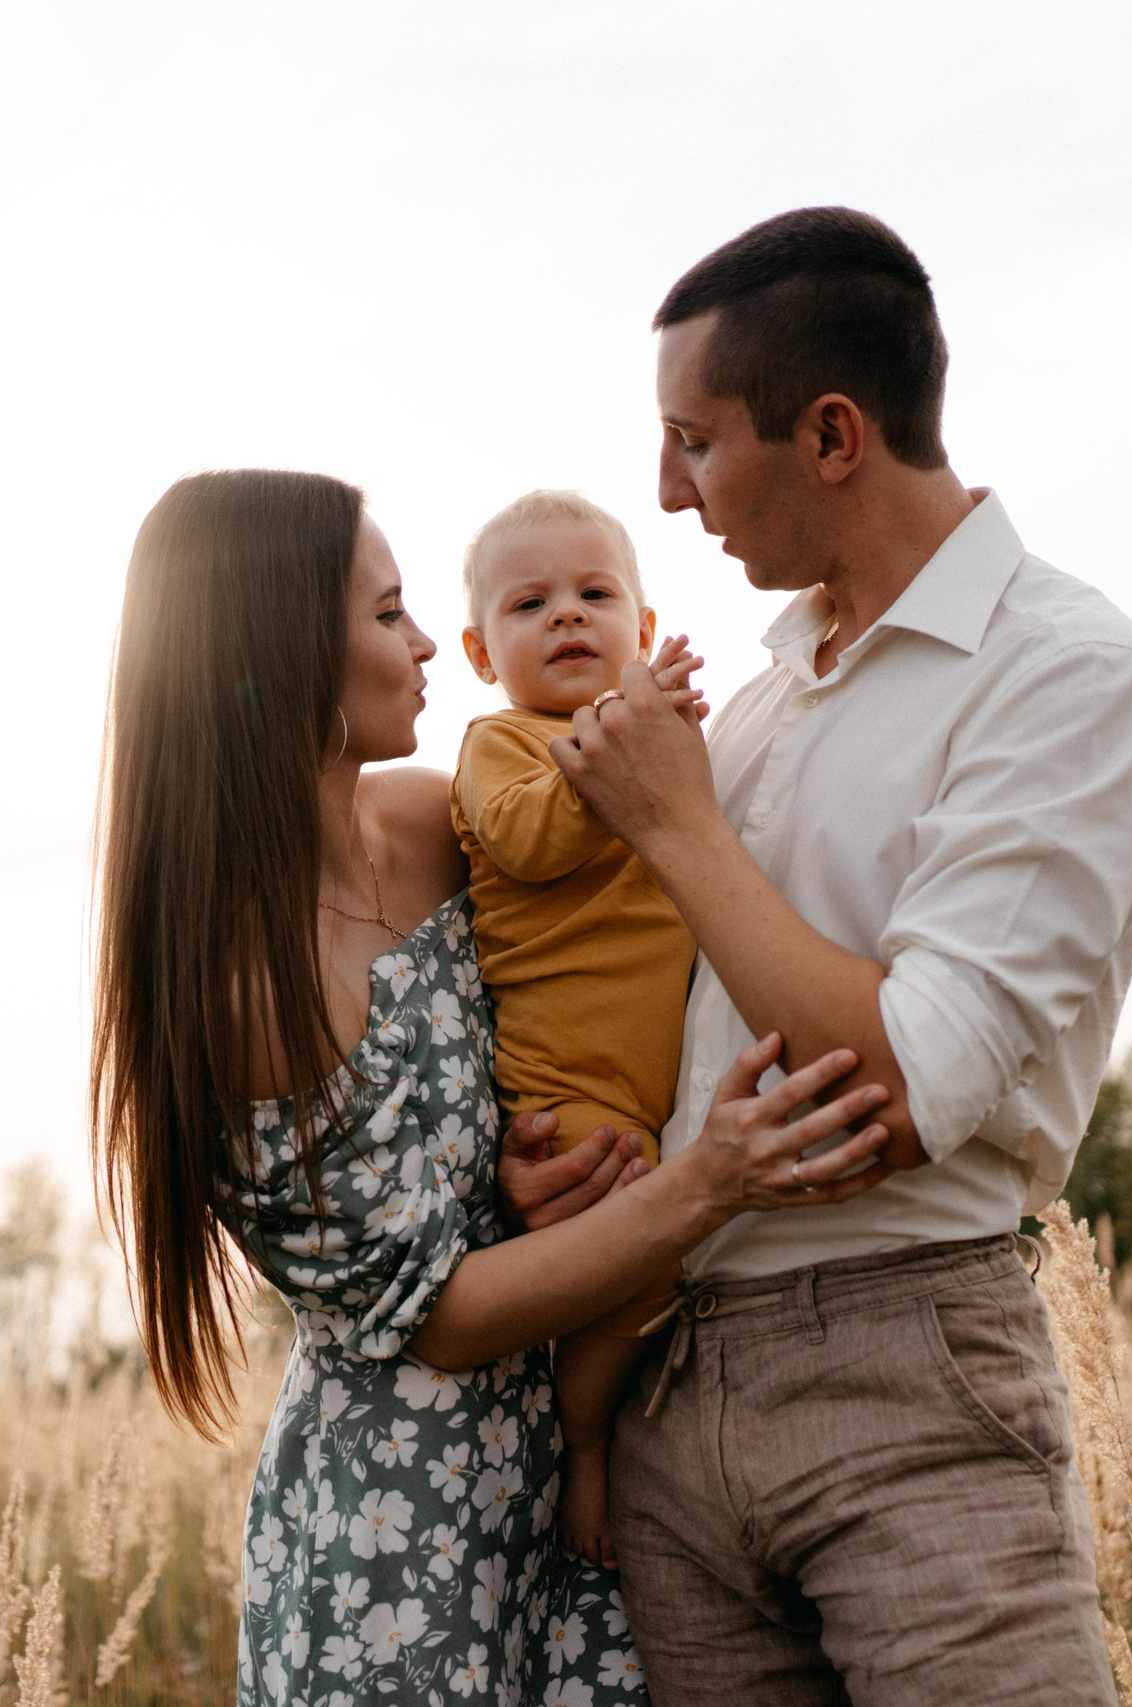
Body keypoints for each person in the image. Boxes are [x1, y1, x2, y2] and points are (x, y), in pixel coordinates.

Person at [90, 467, 897, 1706]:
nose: (423, 645)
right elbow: (438, 1313)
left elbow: (551, 1002)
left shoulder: (428, 823)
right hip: (403, 1543)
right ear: (278, 649)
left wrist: (514, 1162)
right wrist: (708, 1181)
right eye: (385, 614)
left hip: (575, 1476)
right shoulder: (243, 984)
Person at [545, 208, 1132, 1705]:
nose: (664, 489)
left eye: (694, 441)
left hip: (904, 1366)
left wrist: (677, 825)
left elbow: (906, 1085)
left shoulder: (1071, 675)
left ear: (832, 432)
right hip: (673, 1386)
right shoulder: (767, 695)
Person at [450, 488, 701, 1571]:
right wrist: (614, 758)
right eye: (529, 603)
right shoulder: (500, 745)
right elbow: (526, 845)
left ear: (642, 633)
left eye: (595, 595)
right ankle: (585, 1445)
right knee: (637, 1257)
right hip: (574, 1085)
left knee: (673, 1262)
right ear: (478, 649)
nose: (566, 617)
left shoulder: (652, 742)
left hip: (667, 1073)